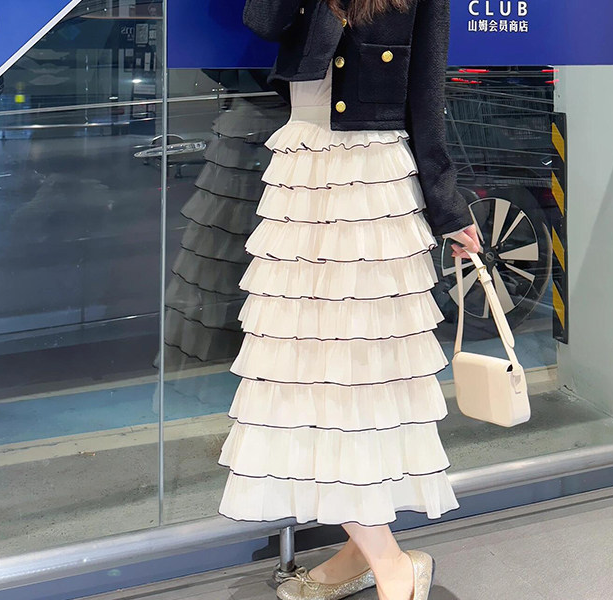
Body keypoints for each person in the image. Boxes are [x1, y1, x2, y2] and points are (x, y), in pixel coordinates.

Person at [217, 1, 481, 599]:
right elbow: (263, 20)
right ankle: (368, 553)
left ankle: (387, 563)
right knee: (305, 373)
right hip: (304, 169)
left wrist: (447, 206)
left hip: (373, 183)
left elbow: (426, 93)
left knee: (362, 377)